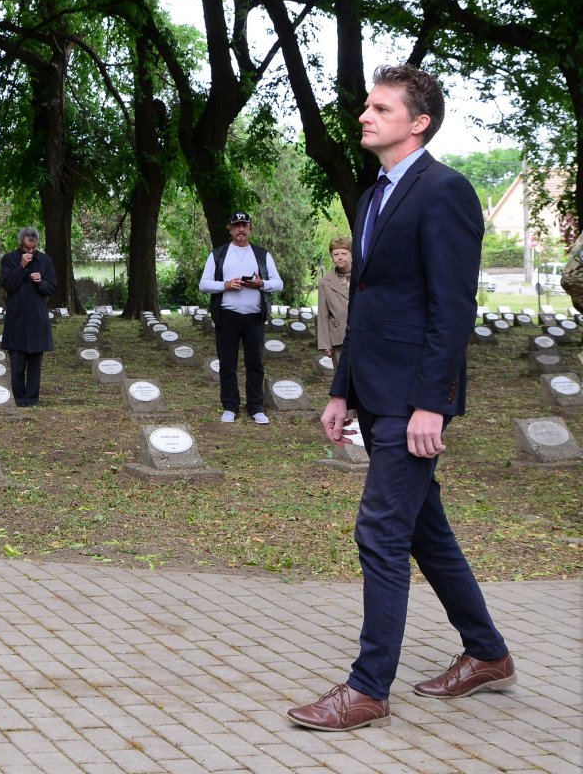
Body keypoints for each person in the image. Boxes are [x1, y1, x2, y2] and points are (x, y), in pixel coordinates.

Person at [293, 64, 514, 732]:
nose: (365, 115)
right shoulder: (372, 196)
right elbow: (369, 303)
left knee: (381, 530)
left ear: (418, 122)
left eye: (381, 108)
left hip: (413, 394)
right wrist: (341, 391)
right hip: (377, 387)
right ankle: (488, 655)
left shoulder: (445, 192)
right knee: (426, 531)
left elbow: (451, 309)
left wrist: (432, 403)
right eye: (367, 106)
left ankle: (367, 690)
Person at [199, 211, 283, 423]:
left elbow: (278, 283)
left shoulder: (262, 255)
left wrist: (260, 284)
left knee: (255, 363)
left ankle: (256, 407)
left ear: (250, 227)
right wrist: (225, 285)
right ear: (230, 229)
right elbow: (204, 284)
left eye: (244, 225)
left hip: (254, 317)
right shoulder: (218, 254)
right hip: (227, 316)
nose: (241, 229)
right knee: (227, 363)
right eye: (236, 226)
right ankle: (230, 406)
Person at [0, 228, 57, 406]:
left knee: (35, 365)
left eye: (33, 248)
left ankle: (32, 400)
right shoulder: (9, 259)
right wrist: (22, 267)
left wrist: (41, 282)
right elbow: (9, 284)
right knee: (17, 365)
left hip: (37, 319)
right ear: (20, 245)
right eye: (26, 249)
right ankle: (19, 400)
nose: (30, 252)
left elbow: (52, 287)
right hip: (17, 318)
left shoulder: (45, 260)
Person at [317, 235, 352, 361]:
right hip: (338, 336)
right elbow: (323, 314)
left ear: (351, 254)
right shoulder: (325, 282)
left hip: (364, 334)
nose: (340, 257)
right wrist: (325, 343)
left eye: (344, 253)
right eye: (336, 254)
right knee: (341, 376)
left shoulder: (362, 276)